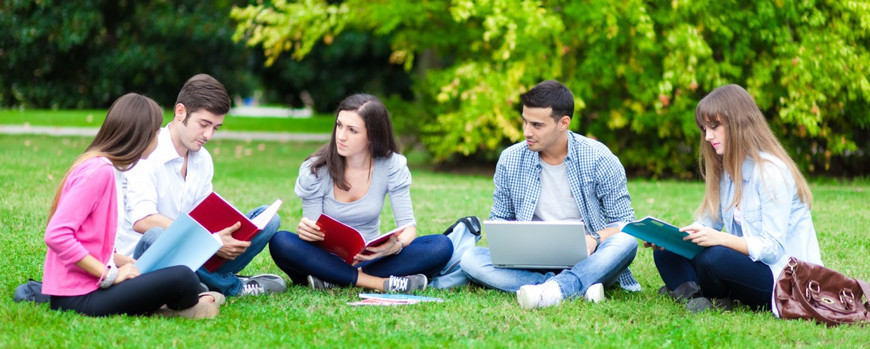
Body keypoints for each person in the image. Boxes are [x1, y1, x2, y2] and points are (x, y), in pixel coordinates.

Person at [460, 80, 641, 309]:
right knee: (469, 259)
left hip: (588, 257)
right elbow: (499, 218)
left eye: (537, 125)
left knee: (626, 242)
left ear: (563, 123)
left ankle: (556, 288)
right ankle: (573, 287)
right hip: (529, 262)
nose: (527, 132)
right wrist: (510, 241)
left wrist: (593, 239)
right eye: (525, 121)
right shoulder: (510, 159)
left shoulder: (600, 158)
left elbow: (626, 223)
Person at [43, 93, 223, 318]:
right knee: (184, 278)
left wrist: (124, 262)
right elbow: (56, 235)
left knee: (176, 275)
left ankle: (178, 304)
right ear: (140, 135)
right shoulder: (99, 171)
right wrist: (109, 274)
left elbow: (91, 240)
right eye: (156, 131)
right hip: (79, 297)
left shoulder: (107, 168)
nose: (159, 138)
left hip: (90, 287)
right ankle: (170, 309)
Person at [647, 84, 822, 314]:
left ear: (738, 123)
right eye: (704, 129)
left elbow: (772, 249)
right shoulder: (727, 170)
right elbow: (707, 226)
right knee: (666, 252)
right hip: (744, 265)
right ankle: (696, 296)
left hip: (782, 278)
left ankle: (694, 291)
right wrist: (669, 237)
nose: (708, 136)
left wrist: (719, 239)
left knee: (714, 257)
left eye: (715, 127)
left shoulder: (771, 172)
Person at [116, 74, 285, 297]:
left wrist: (223, 234)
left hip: (194, 250)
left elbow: (205, 216)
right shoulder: (148, 149)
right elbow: (143, 221)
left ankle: (203, 281)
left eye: (216, 127)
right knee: (156, 235)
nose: (208, 135)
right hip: (144, 257)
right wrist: (209, 239)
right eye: (204, 124)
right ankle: (232, 286)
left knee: (269, 219)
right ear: (180, 112)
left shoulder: (203, 159)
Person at [269, 94, 453, 293]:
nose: (341, 136)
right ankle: (378, 283)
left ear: (372, 137)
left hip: (372, 259)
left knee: (441, 246)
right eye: (339, 125)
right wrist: (306, 232)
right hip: (323, 258)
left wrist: (396, 245)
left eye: (352, 130)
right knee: (281, 242)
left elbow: (408, 228)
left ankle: (333, 280)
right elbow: (313, 233)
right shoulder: (315, 169)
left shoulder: (392, 165)